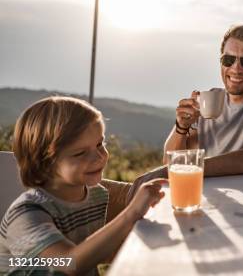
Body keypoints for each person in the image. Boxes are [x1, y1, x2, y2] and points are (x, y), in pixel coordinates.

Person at [0, 96, 165, 275]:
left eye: (100, 144)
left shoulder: (96, 195)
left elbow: (93, 251)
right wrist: (131, 213)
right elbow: (70, 264)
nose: (99, 157)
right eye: (80, 153)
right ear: (44, 162)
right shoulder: (27, 214)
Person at [164, 25, 243, 176]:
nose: (236, 69)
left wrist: (194, 167)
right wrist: (181, 128)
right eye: (228, 60)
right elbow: (169, 165)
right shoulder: (206, 100)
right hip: (203, 196)